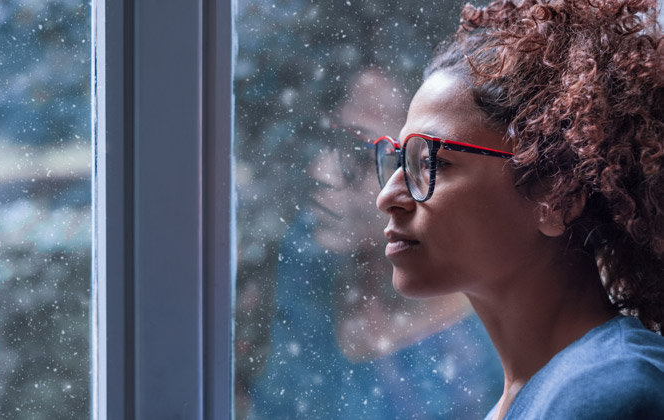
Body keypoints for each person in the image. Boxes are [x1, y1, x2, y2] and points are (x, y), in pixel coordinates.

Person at [374, 0, 664, 419]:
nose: (387, 197)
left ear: (556, 197)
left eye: (431, 161)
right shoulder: (545, 390)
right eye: (399, 160)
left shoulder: (607, 392)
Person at [247, 70, 503, 419]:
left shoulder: (483, 348)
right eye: (329, 141)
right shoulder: (307, 255)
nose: (321, 171)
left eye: (360, 155)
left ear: (428, 168)